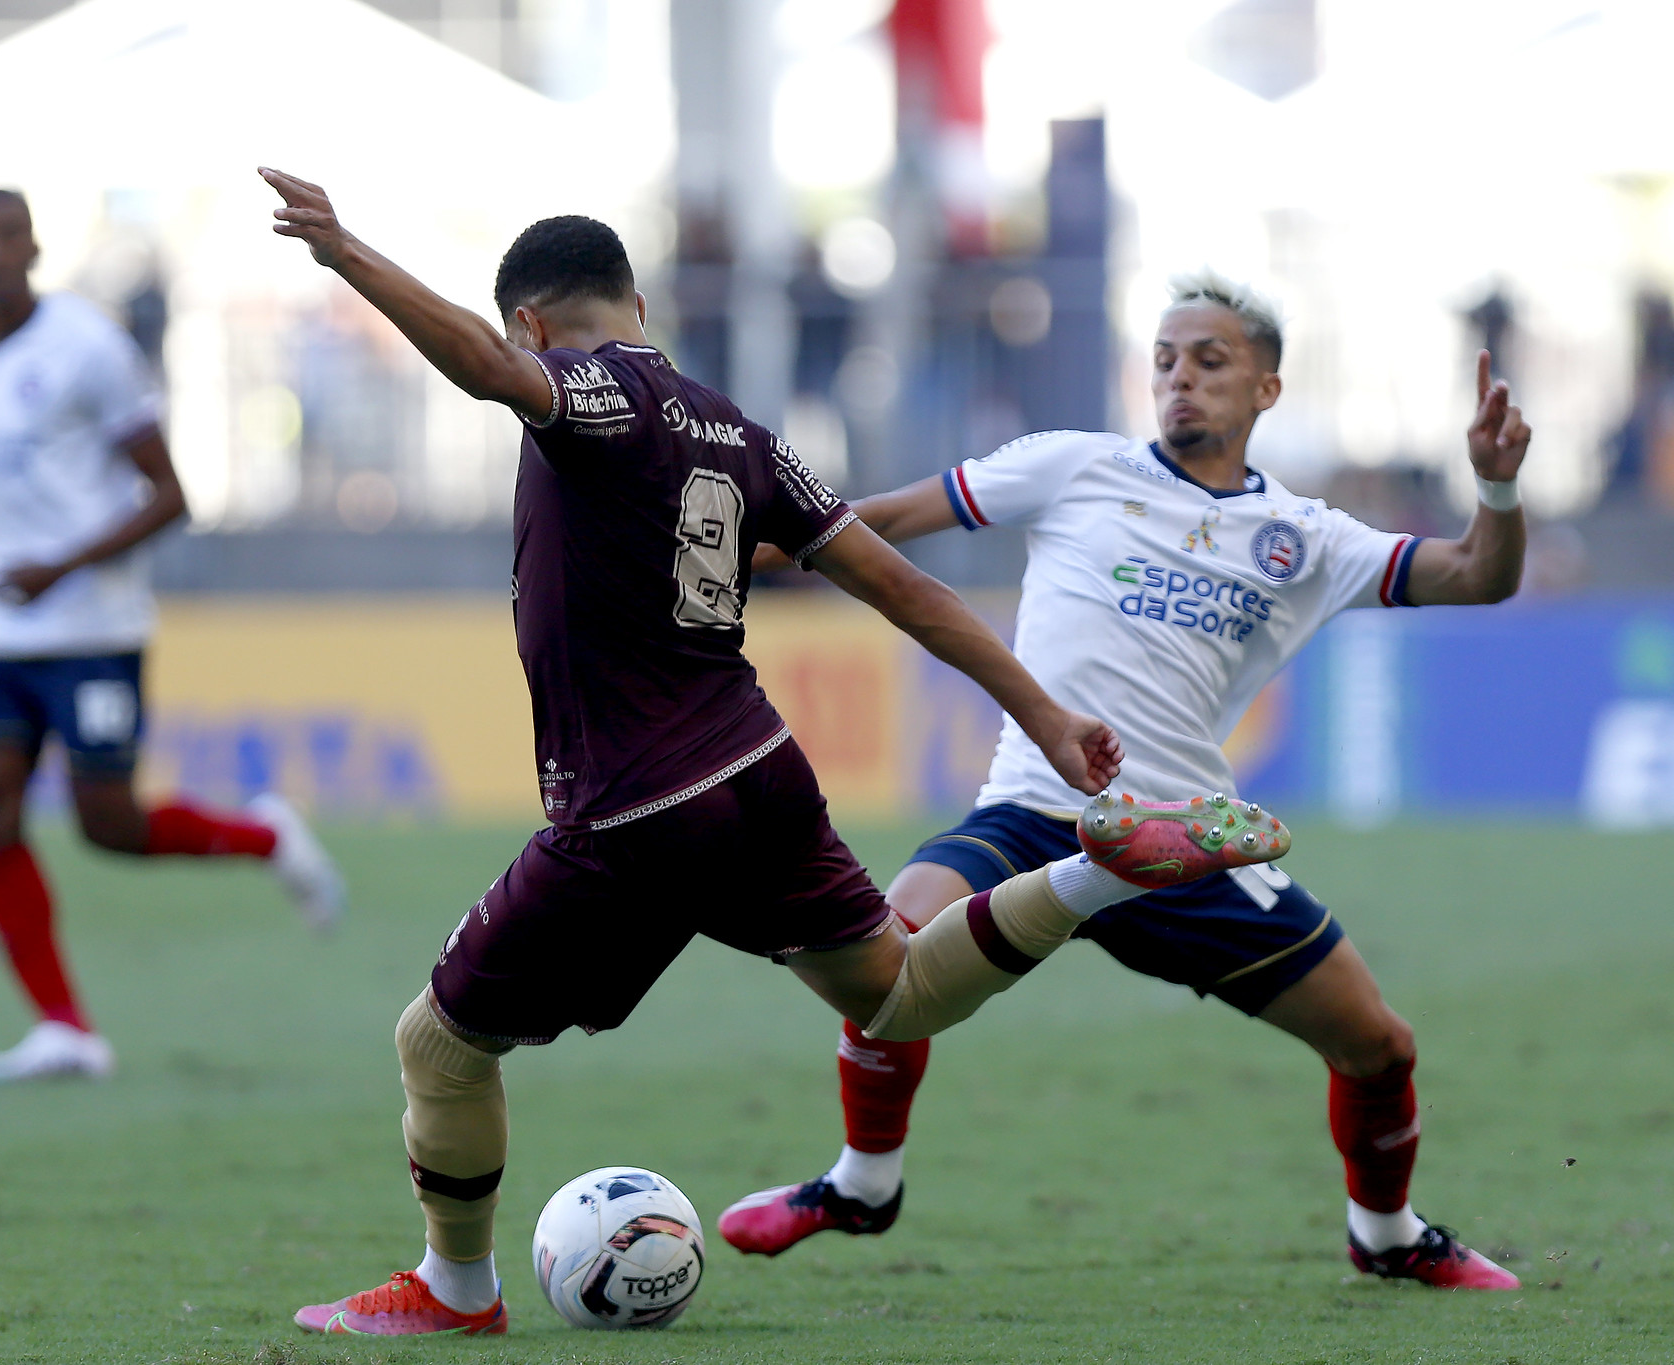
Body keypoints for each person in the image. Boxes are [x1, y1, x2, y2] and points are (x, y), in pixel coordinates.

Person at [256, 168, 1291, 1337]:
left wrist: (347, 254)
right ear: (641, 306)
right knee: (891, 995)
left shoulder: (589, 393)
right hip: (756, 770)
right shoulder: (739, 434)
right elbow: (896, 585)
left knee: (437, 1047)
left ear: (536, 326)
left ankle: (454, 1293)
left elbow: (495, 377)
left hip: (631, 807)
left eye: (526, 346)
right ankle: (1101, 868)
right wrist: (1046, 720)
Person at [718, 271, 1532, 1291]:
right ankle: (859, 1184)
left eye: (1208, 360)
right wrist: (743, 550)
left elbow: (1479, 575)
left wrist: (1495, 487)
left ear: (1266, 390)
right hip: (1031, 814)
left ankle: (1386, 1235)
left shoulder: (1308, 539)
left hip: (1184, 840)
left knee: (1376, 1044)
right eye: (1162, 360)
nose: (1179, 379)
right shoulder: (1072, 468)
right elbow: (868, 521)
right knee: (892, 959)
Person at [0, 189, 345, 1084]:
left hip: (91, 626)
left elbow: (170, 495)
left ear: (35, 247)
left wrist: (62, 565)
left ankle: (269, 840)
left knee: (108, 824)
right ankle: (64, 1027)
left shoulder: (88, 347)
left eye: (11, 235)